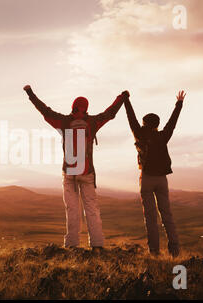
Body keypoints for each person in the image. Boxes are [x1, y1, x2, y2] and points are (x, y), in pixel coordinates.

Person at [23, 85, 127, 251]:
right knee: (91, 208)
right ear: (86, 108)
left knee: (72, 209)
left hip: (69, 172)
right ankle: (97, 244)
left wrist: (30, 93)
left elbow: (45, 111)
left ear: (73, 106)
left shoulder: (63, 121)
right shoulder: (92, 122)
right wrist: (121, 98)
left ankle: (72, 245)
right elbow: (110, 113)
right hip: (87, 172)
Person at [122, 90, 186, 257]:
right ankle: (175, 251)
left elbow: (131, 117)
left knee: (150, 218)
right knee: (167, 215)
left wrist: (126, 100)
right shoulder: (163, 135)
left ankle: (155, 252)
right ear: (157, 124)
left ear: (144, 124)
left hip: (147, 179)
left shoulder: (139, 133)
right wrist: (179, 104)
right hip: (162, 180)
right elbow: (173, 122)